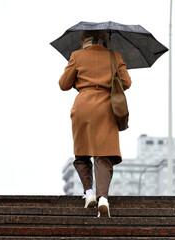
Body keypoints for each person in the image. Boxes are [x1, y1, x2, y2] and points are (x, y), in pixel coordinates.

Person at [59, 30, 131, 217]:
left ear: (84, 40)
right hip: (107, 107)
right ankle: (104, 199)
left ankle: (89, 193)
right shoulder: (114, 56)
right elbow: (127, 83)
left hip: (83, 106)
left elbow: (63, 84)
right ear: (105, 40)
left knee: (82, 152)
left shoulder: (77, 56)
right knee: (103, 155)